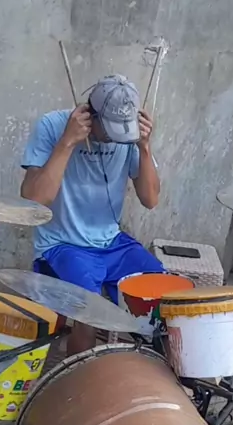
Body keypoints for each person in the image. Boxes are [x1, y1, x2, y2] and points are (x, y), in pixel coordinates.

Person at [21, 74, 164, 356]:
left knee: (163, 297)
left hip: (111, 242)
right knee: (89, 312)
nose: (114, 139)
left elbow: (151, 199)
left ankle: (153, 376)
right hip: (62, 244)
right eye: (109, 130)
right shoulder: (52, 125)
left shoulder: (130, 136)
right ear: (89, 114)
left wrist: (144, 147)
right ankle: (81, 377)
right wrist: (67, 142)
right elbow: (34, 200)